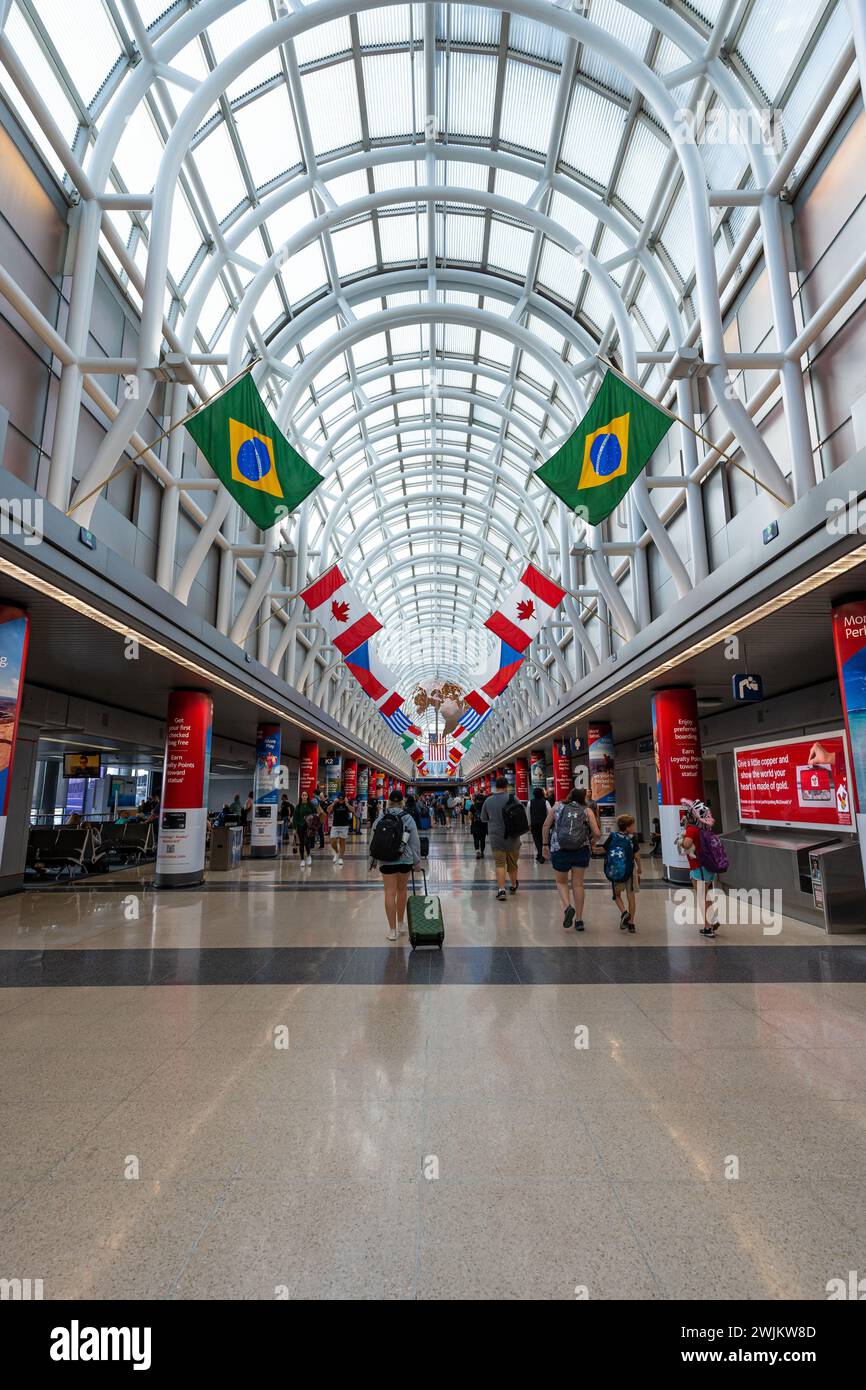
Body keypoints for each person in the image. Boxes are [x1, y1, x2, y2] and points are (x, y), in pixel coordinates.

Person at [541, 787, 601, 931]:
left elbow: (546, 825)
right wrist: (592, 842)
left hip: (560, 849)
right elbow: (597, 833)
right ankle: (579, 920)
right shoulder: (587, 810)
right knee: (578, 884)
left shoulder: (558, 807)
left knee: (561, 882)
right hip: (581, 849)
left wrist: (545, 844)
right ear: (583, 798)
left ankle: (568, 907)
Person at [370, 789, 421, 941]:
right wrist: (417, 861)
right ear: (402, 802)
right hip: (404, 859)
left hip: (386, 860)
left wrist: (371, 860)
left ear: (389, 801)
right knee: (402, 890)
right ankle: (401, 923)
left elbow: (373, 839)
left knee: (389, 893)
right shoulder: (408, 818)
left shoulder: (381, 817)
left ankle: (392, 931)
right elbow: (414, 841)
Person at [678, 799, 719, 937]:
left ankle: (708, 927)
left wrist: (681, 839)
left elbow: (686, 845)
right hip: (707, 866)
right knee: (705, 894)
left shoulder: (692, 829)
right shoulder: (704, 828)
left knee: (702, 896)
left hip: (698, 867)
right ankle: (712, 919)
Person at [481, 775, 522, 901]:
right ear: (506, 786)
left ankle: (501, 890)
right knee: (513, 864)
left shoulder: (488, 801)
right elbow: (522, 815)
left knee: (500, 864)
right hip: (513, 837)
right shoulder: (513, 798)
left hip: (496, 838)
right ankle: (514, 886)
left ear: (495, 786)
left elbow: (484, 818)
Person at [606, 813, 642, 932]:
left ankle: (624, 912)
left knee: (616, 895)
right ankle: (631, 923)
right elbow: (636, 855)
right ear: (627, 827)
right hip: (630, 870)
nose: (634, 828)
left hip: (616, 870)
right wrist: (639, 868)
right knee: (631, 896)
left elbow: (605, 849)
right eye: (632, 825)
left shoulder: (613, 836)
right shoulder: (633, 838)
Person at [292, 791, 322, 867]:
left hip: (309, 826)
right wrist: (294, 828)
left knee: (307, 841)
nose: (304, 796)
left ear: (307, 797)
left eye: (305, 795)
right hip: (300, 826)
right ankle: (302, 859)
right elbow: (295, 818)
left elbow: (315, 814)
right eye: (303, 795)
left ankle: (308, 856)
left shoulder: (310, 805)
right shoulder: (298, 806)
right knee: (301, 843)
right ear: (301, 797)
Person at [529, 786, 550, 863]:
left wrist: (529, 824)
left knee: (537, 840)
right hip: (544, 824)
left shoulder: (530, 802)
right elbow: (549, 812)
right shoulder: (546, 802)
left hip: (534, 824)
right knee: (544, 839)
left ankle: (540, 854)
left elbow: (528, 814)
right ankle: (543, 855)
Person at [329, 792, 351, 865]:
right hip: (335, 825)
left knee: (342, 842)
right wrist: (333, 803)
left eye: (342, 798)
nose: (341, 800)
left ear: (344, 798)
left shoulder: (346, 804)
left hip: (344, 825)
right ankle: (337, 852)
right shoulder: (335, 804)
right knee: (333, 841)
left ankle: (341, 858)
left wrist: (347, 803)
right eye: (339, 798)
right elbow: (328, 810)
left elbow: (353, 810)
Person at [470, 792, 487, 859]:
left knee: (476, 838)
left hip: (475, 825)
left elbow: (470, 815)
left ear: (476, 799)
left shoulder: (473, 806)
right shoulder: (485, 806)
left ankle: (477, 851)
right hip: (484, 824)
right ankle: (482, 852)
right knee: (483, 839)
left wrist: (472, 819)